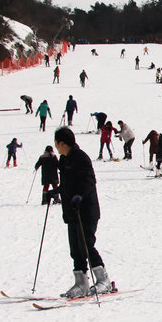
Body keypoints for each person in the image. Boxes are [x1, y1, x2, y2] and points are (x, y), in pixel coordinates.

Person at [54, 126, 113, 297]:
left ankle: (104, 280)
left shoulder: (80, 158)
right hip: (72, 211)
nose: (56, 146)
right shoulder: (64, 160)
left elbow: (89, 181)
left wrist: (80, 196)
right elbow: (67, 185)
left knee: (86, 244)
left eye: (57, 143)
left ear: (62, 143)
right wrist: (56, 192)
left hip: (86, 210)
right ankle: (81, 283)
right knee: (75, 248)